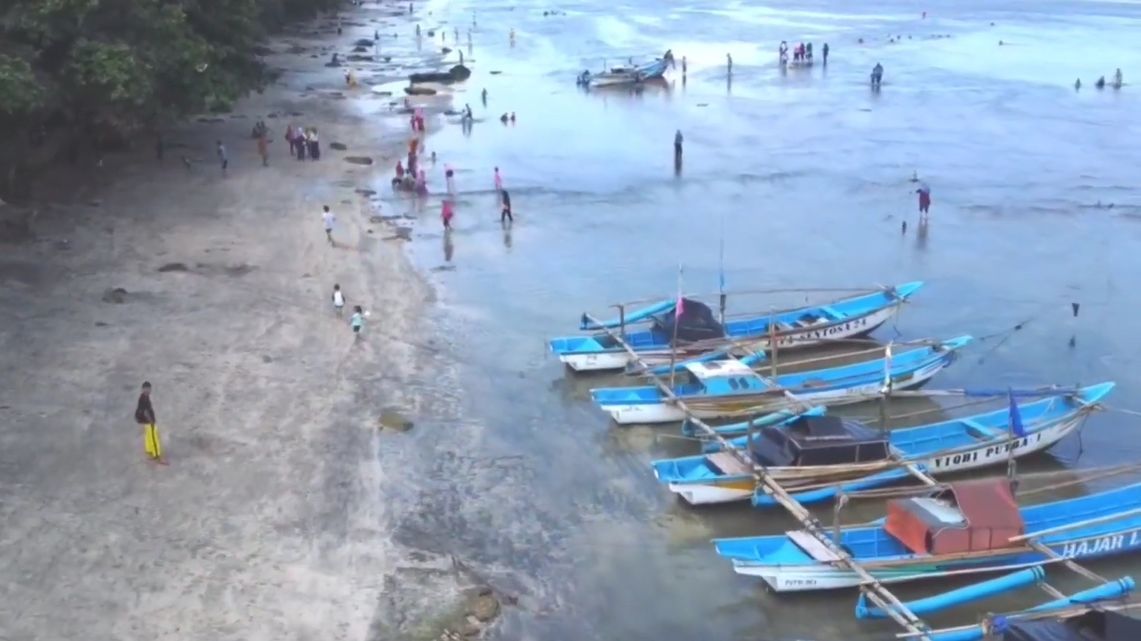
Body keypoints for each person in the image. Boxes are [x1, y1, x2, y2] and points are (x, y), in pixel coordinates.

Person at [135, 381, 163, 462]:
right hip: (147, 420)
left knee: (149, 434)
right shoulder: (143, 399)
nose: (147, 391)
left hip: (144, 420)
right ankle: (156, 455)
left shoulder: (144, 397)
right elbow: (145, 411)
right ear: (142, 389)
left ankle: (149, 450)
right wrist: (151, 421)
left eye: (149, 389)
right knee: (154, 435)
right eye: (146, 389)